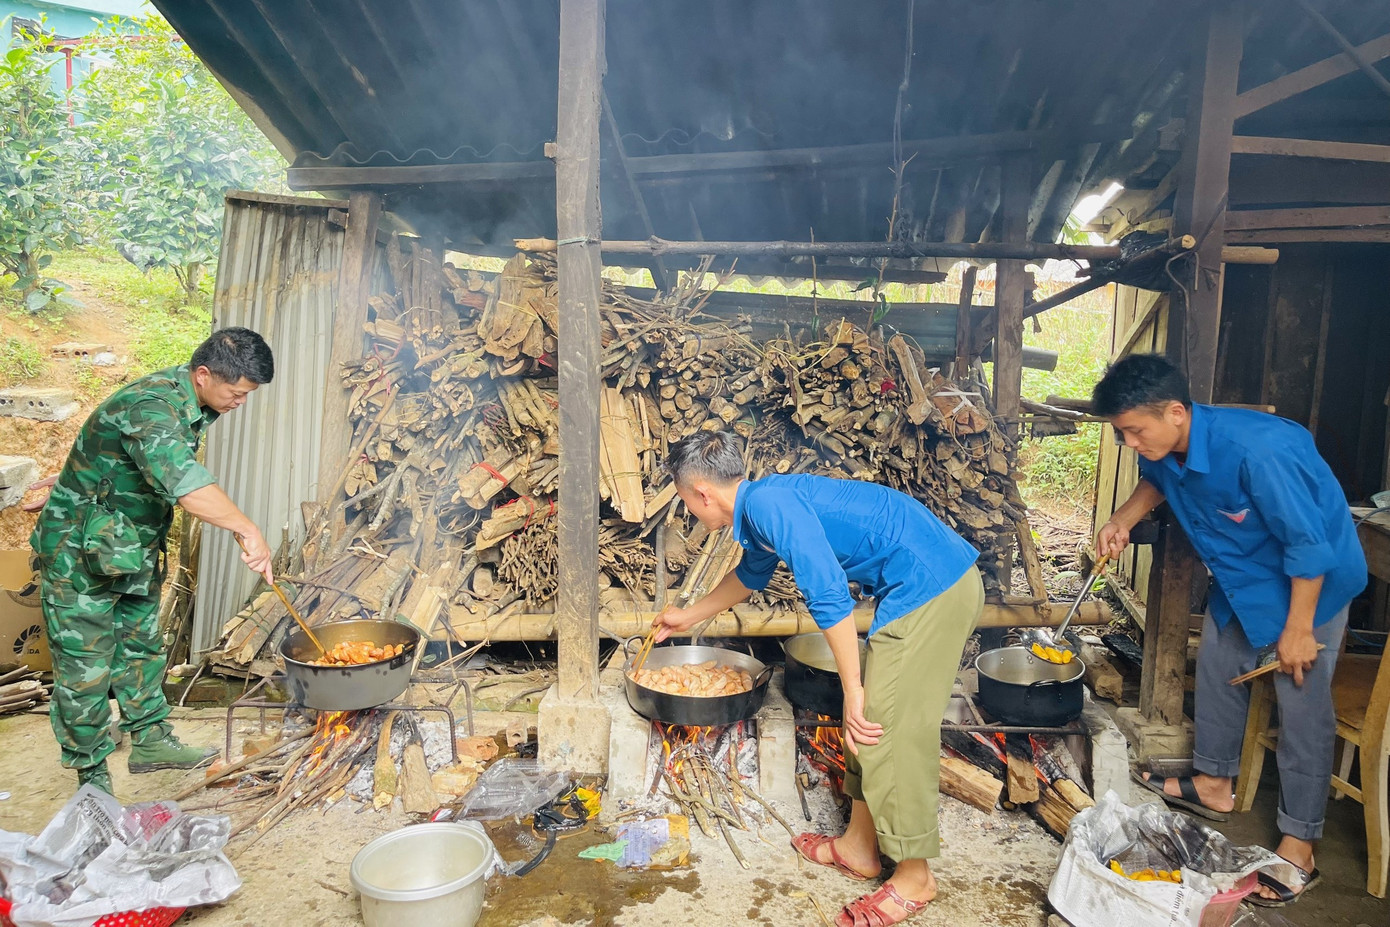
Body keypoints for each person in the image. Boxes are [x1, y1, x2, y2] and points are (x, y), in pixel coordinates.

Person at [653, 430, 983, 927]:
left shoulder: (770, 506)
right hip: (919, 587)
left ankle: (915, 877)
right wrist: (687, 616)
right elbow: (749, 578)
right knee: (870, 723)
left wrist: (853, 689)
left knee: (886, 729)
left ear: (701, 493)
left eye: (686, 503)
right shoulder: (760, 510)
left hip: (933, 587)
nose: (691, 514)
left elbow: (829, 595)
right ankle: (859, 847)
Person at [1092, 353, 1366, 905]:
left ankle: (1300, 845)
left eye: (1136, 431)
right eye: (1122, 434)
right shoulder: (1169, 445)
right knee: (1218, 662)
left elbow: (1308, 545)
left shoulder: (1258, 452)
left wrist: (1299, 628)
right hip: (1245, 578)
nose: (1131, 443)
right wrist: (1122, 519)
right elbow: (1157, 480)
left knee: (1300, 702)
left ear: (1175, 412)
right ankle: (1215, 783)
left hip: (1311, 586)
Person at [31, 328, 277, 796]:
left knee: (141, 646)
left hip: (128, 547)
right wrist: (248, 530)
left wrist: (79, 476)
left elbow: (117, 452)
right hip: (79, 555)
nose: (241, 402)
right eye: (237, 392)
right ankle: (91, 777)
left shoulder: (189, 402)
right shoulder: (151, 405)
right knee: (85, 665)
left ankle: (150, 741)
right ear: (203, 375)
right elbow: (186, 484)